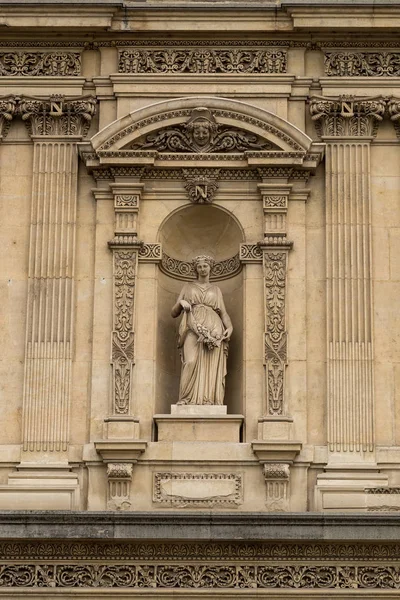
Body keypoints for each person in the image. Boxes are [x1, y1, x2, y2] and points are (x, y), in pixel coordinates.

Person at [171, 255, 233, 405]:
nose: (202, 269)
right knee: (190, 361)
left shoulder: (216, 290)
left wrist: (230, 326)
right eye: (199, 266)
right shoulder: (188, 287)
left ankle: (208, 399)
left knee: (210, 368)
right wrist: (181, 304)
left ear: (210, 268)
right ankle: (186, 398)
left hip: (214, 330)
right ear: (196, 269)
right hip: (192, 326)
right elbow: (173, 312)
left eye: (205, 266)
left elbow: (223, 313)